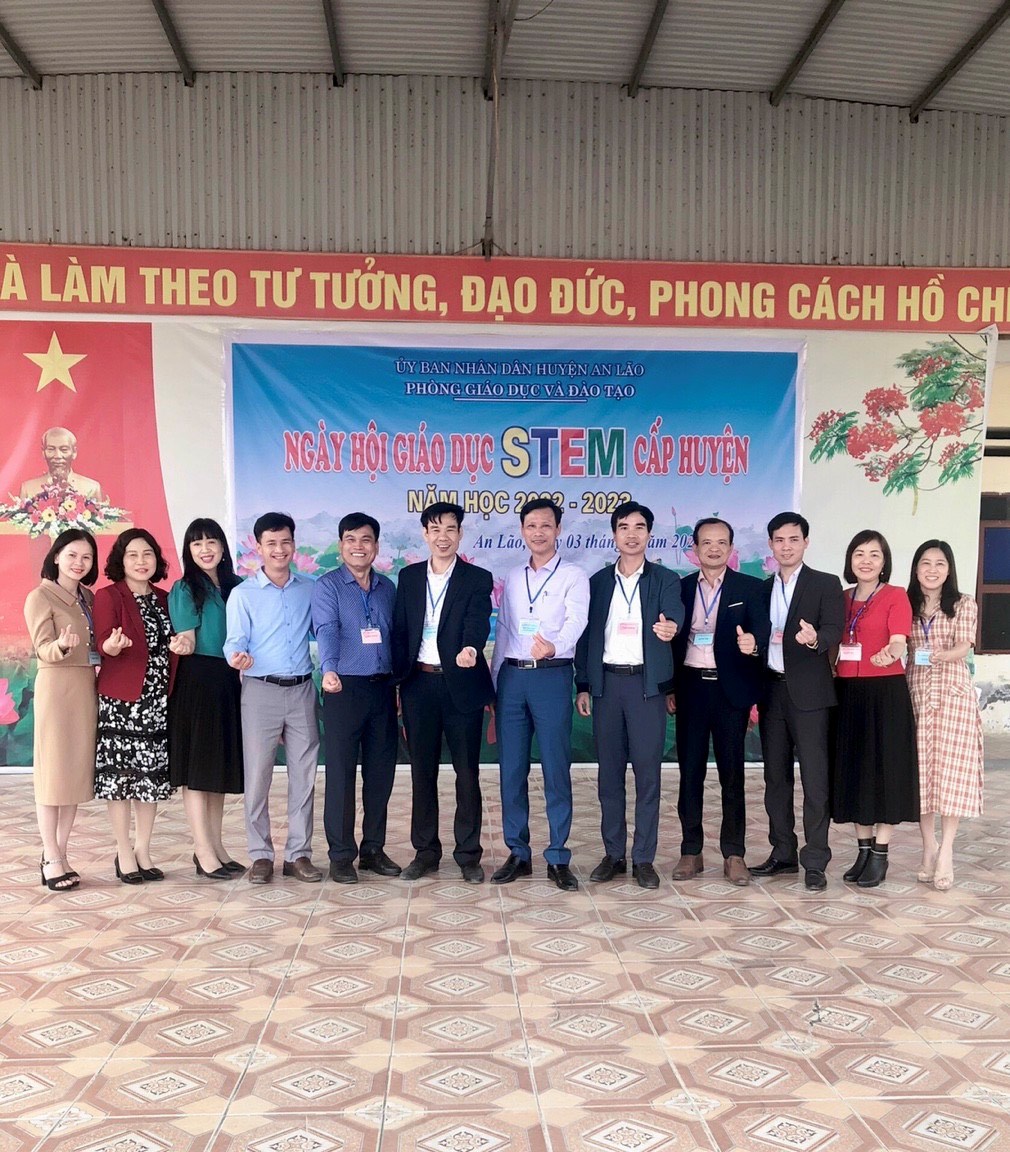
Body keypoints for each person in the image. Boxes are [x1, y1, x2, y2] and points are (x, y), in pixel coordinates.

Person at [575, 501, 683, 889]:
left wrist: (670, 627)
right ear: (614, 534)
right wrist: (584, 684)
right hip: (607, 686)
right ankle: (613, 854)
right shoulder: (598, 582)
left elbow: (674, 615)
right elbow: (587, 637)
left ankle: (644, 858)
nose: (632, 534)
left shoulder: (665, 579)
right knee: (609, 776)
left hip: (645, 688)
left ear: (649, 534)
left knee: (647, 775)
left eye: (639, 527)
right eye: (624, 527)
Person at [490, 498, 589, 891]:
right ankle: (518, 852)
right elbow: (504, 631)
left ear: (558, 530)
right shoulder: (513, 577)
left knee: (555, 767)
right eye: (531, 525)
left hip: (551, 676)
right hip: (513, 679)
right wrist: (495, 683)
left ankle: (558, 855)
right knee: (511, 769)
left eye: (546, 525)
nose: (538, 532)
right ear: (522, 531)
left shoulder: (574, 576)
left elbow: (577, 621)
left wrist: (555, 647)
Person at [393, 502, 494, 884]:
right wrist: (398, 681)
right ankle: (425, 852)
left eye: (450, 529)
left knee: (466, 772)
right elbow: (400, 629)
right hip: (419, 684)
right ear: (425, 534)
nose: (443, 537)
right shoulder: (409, 577)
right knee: (422, 771)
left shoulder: (476, 578)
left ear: (460, 534)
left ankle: (468, 854)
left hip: (461, 684)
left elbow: (477, 621)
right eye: (435, 529)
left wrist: (470, 648)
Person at [671, 517, 769, 886]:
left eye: (721, 543)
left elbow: (762, 633)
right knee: (690, 773)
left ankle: (734, 854)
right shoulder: (680, 588)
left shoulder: (750, 587)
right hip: (691, 688)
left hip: (730, 693)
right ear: (695, 548)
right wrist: (669, 688)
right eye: (706, 543)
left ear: (731, 548)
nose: (714, 549)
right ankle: (690, 850)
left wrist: (753, 645)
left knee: (732, 774)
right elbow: (670, 642)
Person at [751, 513, 845, 891]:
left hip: (810, 696)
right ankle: (783, 852)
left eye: (793, 539)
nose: (786, 546)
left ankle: (815, 860)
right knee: (775, 779)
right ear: (770, 545)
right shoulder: (761, 589)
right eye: (779, 540)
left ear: (806, 542)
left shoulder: (825, 583)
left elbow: (834, 629)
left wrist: (814, 638)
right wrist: (751, 646)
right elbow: (757, 637)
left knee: (815, 780)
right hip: (771, 693)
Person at [225, 512, 320, 884]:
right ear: (258, 547)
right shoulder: (243, 594)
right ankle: (260, 854)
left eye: (285, 542)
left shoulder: (311, 588)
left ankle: (298, 854)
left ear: (294, 544)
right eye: (271, 543)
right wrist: (237, 656)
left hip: (302, 690)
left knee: (304, 776)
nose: (279, 550)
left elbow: (325, 632)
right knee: (257, 776)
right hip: (260, 691)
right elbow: (235, 640)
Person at [312, 512, 401, 884]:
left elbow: (397, 636)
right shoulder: (328, 586)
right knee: (341, 774)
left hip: (382, 689)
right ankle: (341, 856)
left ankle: (373, 850)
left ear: (376, 546)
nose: (358, 546)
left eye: (366, 539)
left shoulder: (387, 588)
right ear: (340, 545)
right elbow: (326, 629)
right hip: (343, 687)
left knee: (380, 774)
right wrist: (329, 668)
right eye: (350, 539)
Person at [94, 528, 186, 883]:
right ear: (121, 560)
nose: (141, 561)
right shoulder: (109, 596)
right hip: (121, 703)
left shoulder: (166, 598)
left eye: (147, 554)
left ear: (157, 560)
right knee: (120, 781)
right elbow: (104, 642)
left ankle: (143, 850)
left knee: (149, 780)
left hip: (157, 702)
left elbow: (175, 641)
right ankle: (123, 851)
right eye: (132, 554)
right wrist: (112, 646)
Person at [832, 530, 919, 888]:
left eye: (874, 555)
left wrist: (891, 652)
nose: (866, 561)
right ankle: (863, 851)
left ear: (884, 562)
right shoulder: (842, 597)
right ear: (850, 560)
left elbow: (899, 639)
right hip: (847, 692)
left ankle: (881, 853)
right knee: (855, 772)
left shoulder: (896, 595)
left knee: (885, 771)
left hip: (884, 691)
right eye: (859, 554)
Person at [168, 518, 245, 881]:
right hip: (199, 679)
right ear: (188, 551)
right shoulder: (185, 588)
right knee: (198, 770)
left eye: (211, 541)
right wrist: (182, 644)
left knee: (217, 768)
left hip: (230, 680)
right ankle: (202, 850)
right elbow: (187, 638)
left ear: (223, 547)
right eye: (197, 543)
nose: (205, 549)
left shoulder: (237, 586)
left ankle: (217, 846)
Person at [24, 529, 100, 891]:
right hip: (56, 687)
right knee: (52, 775)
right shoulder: (40, 596)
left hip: (85, 687)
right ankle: (50, 856)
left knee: (74, 775)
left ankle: (62, 853)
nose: (78, 563)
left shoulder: (88, 597)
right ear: (56, 556)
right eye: (71, 555)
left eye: (86, 557)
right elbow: (42, 647)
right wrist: (62, 647)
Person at [906, 540, 983, 892]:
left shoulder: (964, 603)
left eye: (940, 563)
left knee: (951, 775)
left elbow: (964, 645)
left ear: (949, 569)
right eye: (926, 563)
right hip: (916, 696)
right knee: (921, 775)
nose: (932, 570)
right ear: (916, 568)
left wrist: (942, 655)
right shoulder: (906, 604)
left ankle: (947, 850)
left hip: (953, 696)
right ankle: (928, 847)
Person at [20, 426, 104, 500]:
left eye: (64, 450)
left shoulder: (91, 488)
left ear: (74, 452)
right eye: (51, 449)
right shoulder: (28, 489)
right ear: (43, 452)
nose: (58, 456)